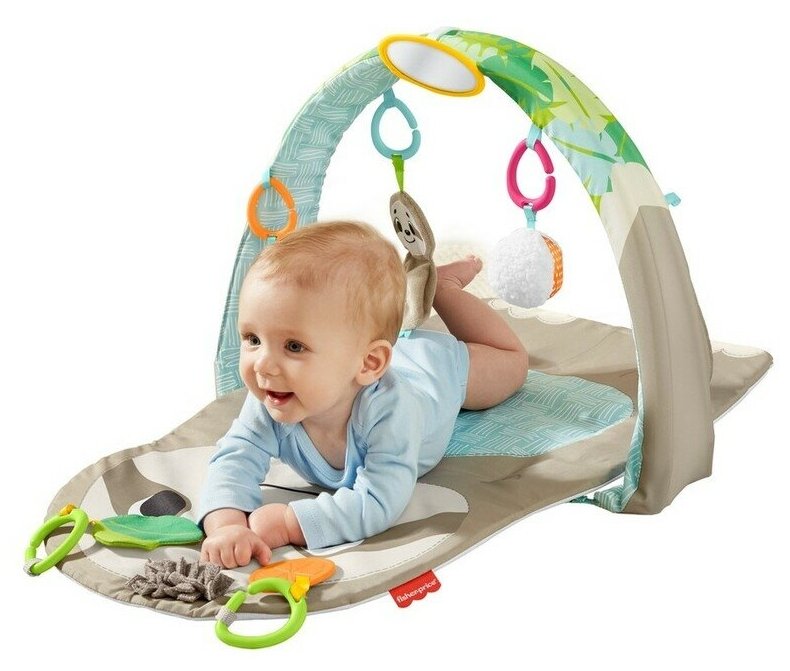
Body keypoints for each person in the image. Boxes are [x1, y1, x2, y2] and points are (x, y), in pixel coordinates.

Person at [198, 221, 528, 568]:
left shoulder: (392, 411)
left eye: (293, 346)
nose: (263, 365)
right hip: (368, 355)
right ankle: (410, 299)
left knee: (513, 362)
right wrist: (227, 524)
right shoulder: (273, 396)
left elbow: (379, 500)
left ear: (370, 363)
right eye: (253, 339)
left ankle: (443, 289)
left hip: (431, 373)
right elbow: (234, 459)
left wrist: (290, 523)